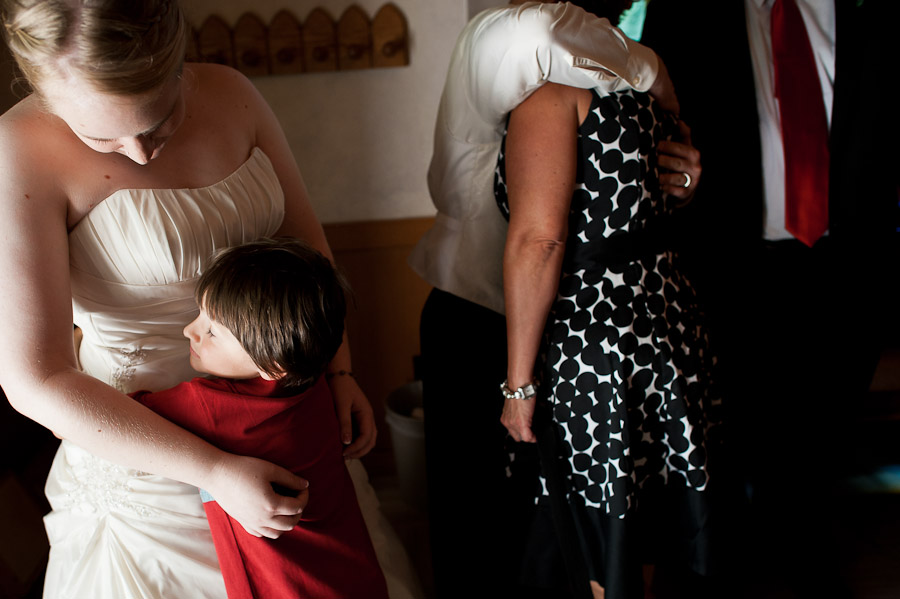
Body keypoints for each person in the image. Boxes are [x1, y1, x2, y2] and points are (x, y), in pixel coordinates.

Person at [0, 1, 417, 598]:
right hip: (149, 461)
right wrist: (214, 471)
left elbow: (305, 250)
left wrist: (338, 368)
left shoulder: (233, 92)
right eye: (101, 136)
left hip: (288, 419)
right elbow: (34, 380)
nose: (141, 153)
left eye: (159, 121)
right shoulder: (17, 150)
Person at [407, 1, 683, 597]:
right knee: (478, 528)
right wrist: (654, 71)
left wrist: (677, 157)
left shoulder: (598, 71)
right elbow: (545, 31)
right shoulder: (502, 33)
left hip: (569, 332)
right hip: (477, 310)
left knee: (560, 534)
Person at [640, 2, 899, 597]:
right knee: (724, 471)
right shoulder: (687, 16)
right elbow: (650, 129)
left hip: (847, 273)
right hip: (728, 273)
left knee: (815, 465)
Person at [493, 0, 719, 596]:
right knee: (652, 516)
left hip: (595, 343)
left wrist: (518, 385)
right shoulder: (644, 77)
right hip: (670, 321)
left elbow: (539, 240)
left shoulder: (551, 93)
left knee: (596, 526)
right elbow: (673, 180)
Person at [131, 238, 388, 599]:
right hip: (349, 571)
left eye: (211, 331)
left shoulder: (210, 404)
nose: (190, 330)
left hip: (281, 586)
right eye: (199, 314)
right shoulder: (312, 380)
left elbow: (120, 420)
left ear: (272, 364)